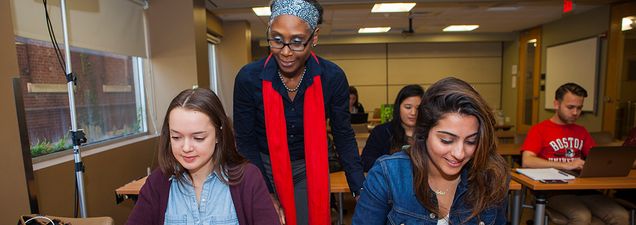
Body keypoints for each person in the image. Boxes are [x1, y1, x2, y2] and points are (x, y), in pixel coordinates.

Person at [232, 0, 365, 224]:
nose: (285, 52)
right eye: (276, 39)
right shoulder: (248, 78)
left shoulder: (331, 77)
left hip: (308, 167)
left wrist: (359, 187)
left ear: (314, 37)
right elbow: (245, 141)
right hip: (261, 165)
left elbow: (343, 135)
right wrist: (265, 191)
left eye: (296, 42)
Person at [352, 77, 510, 225]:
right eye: (446, 140)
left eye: (471, 141)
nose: (460, 153)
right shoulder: (388, 175)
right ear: (424, 133)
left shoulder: (491, 177)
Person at [125, 88, 279, 225]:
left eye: (198, 138)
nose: (186, 148)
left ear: (219, 134)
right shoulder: (158, 182)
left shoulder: (248, 179)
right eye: (176, 137)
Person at [521, 83, 629, 225]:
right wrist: (566, 165)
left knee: (621, 215)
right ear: (556, 104)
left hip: (583, 188)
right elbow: (527, 161)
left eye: (579, 108)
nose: (575, 112)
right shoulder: (539, 130)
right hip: (554, 190)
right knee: (581, 217)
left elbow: (596, 159)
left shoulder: (581, 131)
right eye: (570, 107)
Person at [361, 84, 424, 172]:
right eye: (408, 107)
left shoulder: (428, 132)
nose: (413, 112)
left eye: (418, 108)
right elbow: (366, 162)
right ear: (398, 108)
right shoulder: (381, 132)